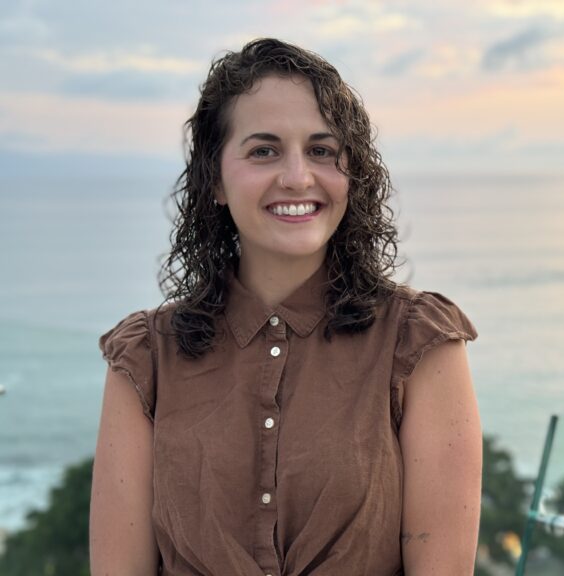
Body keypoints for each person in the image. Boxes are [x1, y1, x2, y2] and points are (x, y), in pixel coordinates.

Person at [89, 38, 482, 576]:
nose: (298, 176)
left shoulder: (418, 343)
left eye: (321, 151)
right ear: (215, 180)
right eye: (263, 151)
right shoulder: (146, 358)